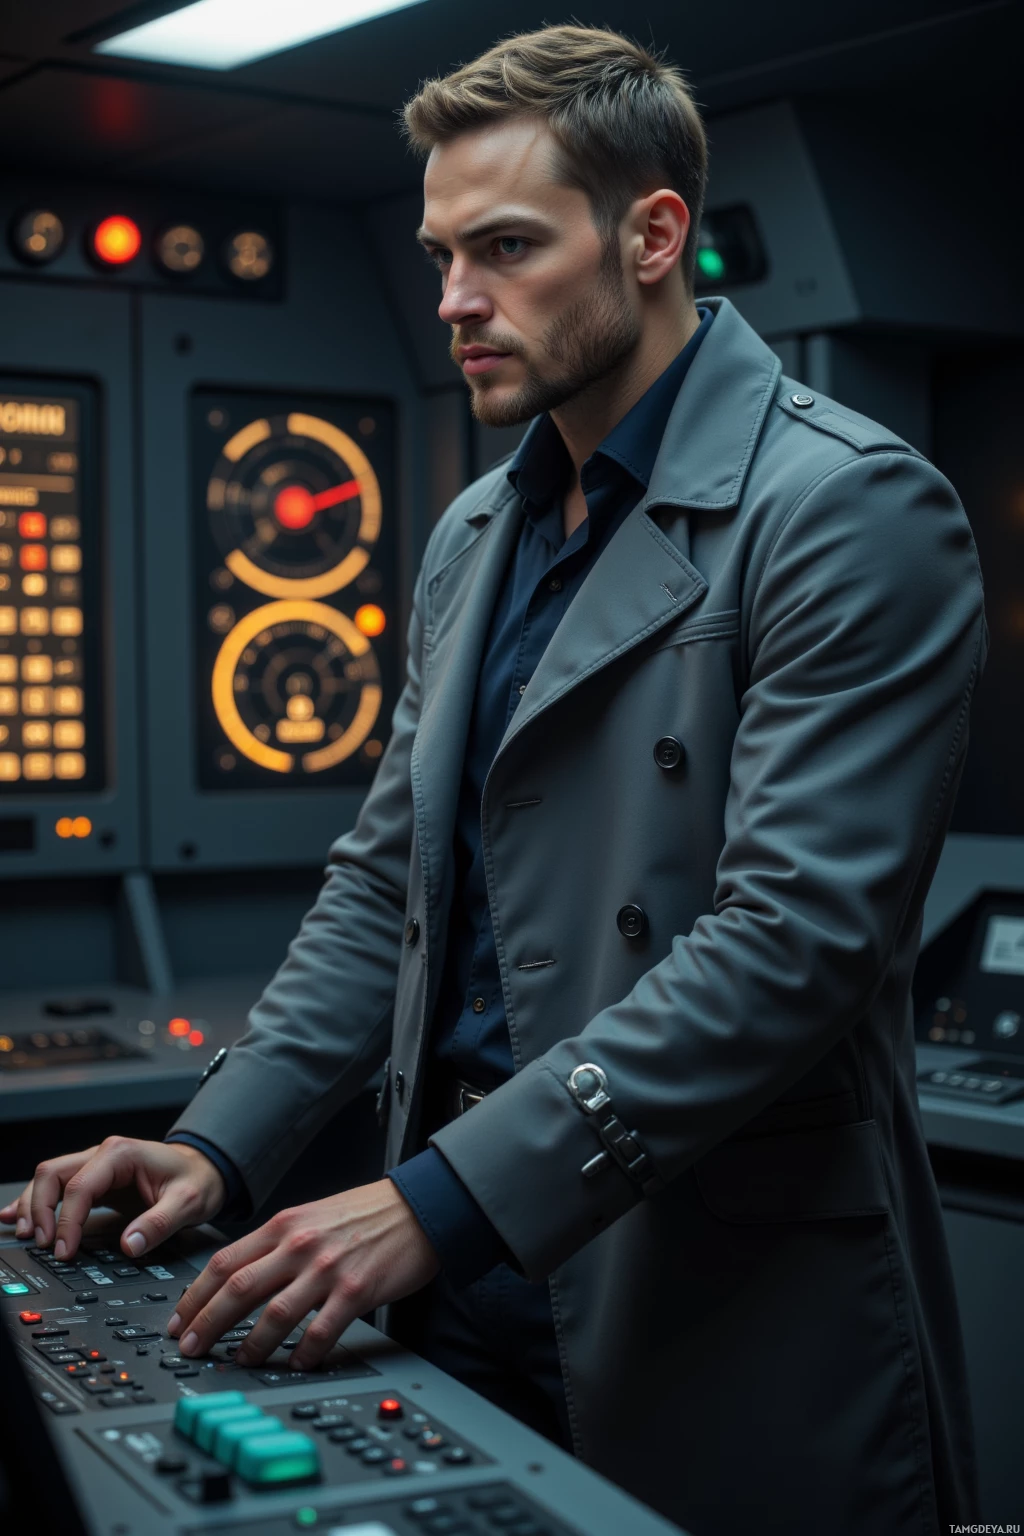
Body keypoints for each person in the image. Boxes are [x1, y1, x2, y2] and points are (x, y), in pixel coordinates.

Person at [1, 25, 985, 1536]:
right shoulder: (477, 531)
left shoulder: (847, 509)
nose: (458, 298)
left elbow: (793, 946)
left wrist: (437, 1204)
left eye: (508, 248)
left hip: (693, 1269)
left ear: (652, 236)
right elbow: (384, 893)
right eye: (441, 255)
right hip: (459, 1262)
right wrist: (216, 1140)